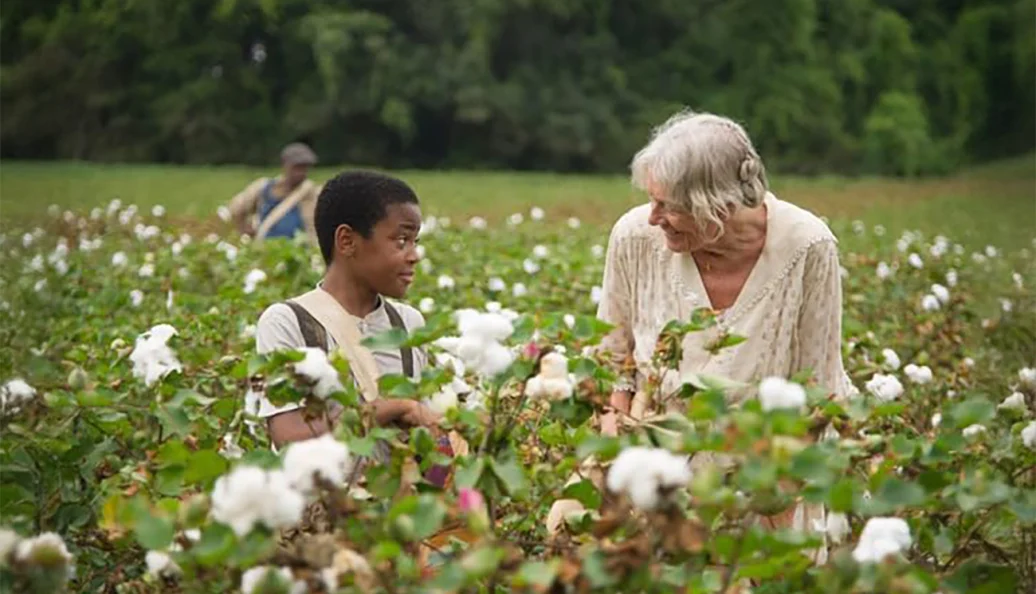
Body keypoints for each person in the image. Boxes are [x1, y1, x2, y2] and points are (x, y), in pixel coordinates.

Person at [562, 110, 857, 560]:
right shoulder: (635, 236)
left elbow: (815, 388)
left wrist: (776, 495)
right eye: (652, 201)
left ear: (717, 207)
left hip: (764, 467)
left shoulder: (808, 246)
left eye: (669, 206)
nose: (654, 217)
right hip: (653, 460)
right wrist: (614, 452)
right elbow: (612, 358)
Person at [250, 170, 440, 448]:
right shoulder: (287, 321)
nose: (414, 256)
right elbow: (289, 436)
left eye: (415, 242)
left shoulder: (408, 323)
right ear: (347, 241)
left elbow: (426, 440)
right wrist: (397, 407)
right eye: (401, 241)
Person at [227, 142, 322, 243]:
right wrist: (243, 228)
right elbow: (236, 208)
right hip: (263, 249)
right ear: (284, 165)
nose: (301, 173)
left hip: (298, 250)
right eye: (297, 167)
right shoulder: (262, 187)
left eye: (305, 168)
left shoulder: (310, 193)